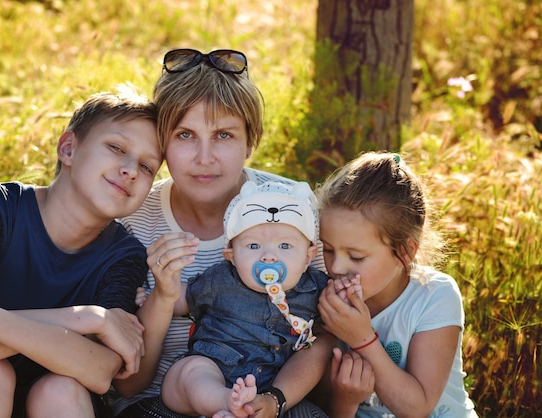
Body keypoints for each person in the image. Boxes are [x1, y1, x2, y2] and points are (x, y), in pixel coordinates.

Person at [108, 48, 332, 418]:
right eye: (185, 135)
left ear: (251, 141)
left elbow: (323, 339)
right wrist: (163, 297)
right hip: (162, 403)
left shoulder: (294, 210)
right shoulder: (133, 219)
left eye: (224, 135)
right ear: (161, 142)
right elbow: (128, 384)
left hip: (275, 402)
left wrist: (274, 401)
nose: (205, 156)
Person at [0, 85, 163, 418]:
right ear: (69, 148)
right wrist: (88, 319)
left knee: (59, 388)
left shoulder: (124, 254)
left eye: (147, 167)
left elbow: (101, 371)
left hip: (60, 405)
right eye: (116, 147)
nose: (131, 169)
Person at [315, 151, 478, 417]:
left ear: (405, 252)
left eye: (356, 256)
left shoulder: (435, 295)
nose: (336, 267)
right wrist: (344, 403)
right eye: (328, 249)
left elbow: (417, 407)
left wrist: (361, 338)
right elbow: (320, 402)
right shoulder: (322, 295)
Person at [160, 180, 330, 418]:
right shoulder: (220, 279)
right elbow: (179, 299)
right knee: (191, 371)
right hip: (214, 368)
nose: (269, 256)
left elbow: (335, 318)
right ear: (231, 256)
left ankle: (240, 407)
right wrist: (159, 292)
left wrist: (345, 291)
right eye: (253, 245)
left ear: (308, 258)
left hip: (271, 388)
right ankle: (226, 404)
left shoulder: (315, 288)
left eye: (285, 245)